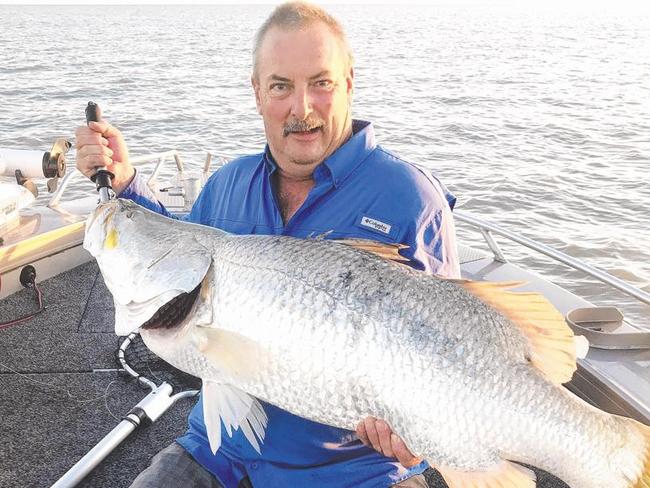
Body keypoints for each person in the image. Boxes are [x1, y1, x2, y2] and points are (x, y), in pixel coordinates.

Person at [76, 2, 460, 487]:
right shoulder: (228, 183)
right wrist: (127, 183)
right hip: (220, 449)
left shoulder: (411, 198)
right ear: (257, 93)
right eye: (281, 86)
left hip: (359, 470)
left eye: (320, 82)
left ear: (348, 83)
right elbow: (181, 262)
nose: (301, 108)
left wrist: (420, 437)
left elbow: (453, 348)